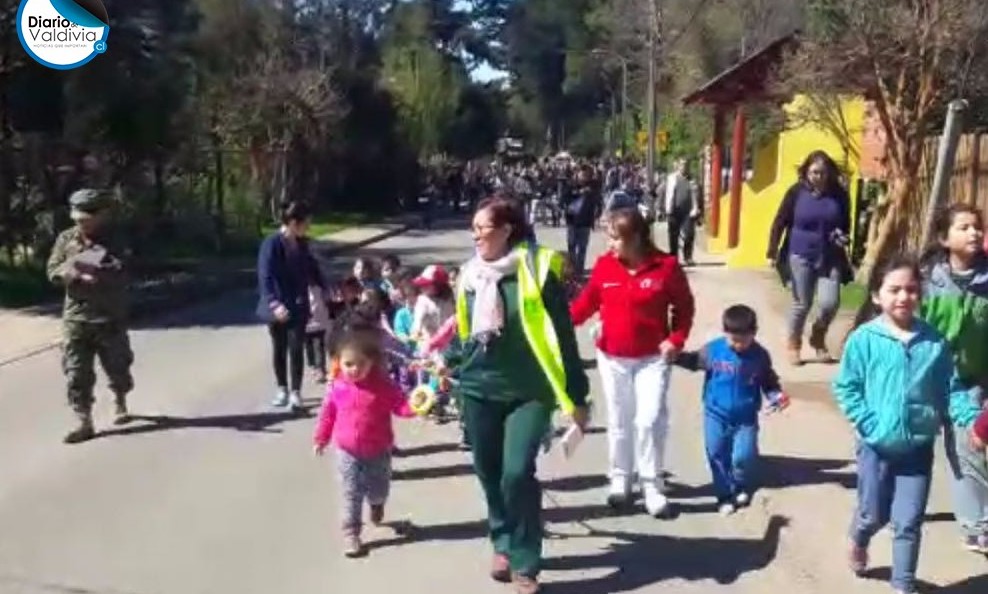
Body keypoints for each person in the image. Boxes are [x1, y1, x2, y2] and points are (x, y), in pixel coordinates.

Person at [442, 196, 589, 594]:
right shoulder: (470, 275)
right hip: (478, 389)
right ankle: (502, 540)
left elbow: (562, 335)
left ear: (507, 230)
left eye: (482, 229)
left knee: (516, 473)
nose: (475, 236)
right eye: (472, 229)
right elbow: (464, 333)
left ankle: (526, 560)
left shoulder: (539, 271)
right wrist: (447, 363)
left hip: (530, 390)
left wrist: (578, 395)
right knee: (489, 472)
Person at [833, 254, 983, 594]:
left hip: (917, 448)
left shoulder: (934, 343)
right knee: (873, 514)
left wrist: (971, 420)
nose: (903, 297)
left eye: (912, 290)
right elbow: (846, 386)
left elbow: (951, 388)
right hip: (875, 447)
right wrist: (866, 421)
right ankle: (859, 535)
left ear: (921, 294)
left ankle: (903, 584)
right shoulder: (864, 340)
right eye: (894, 289)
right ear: (876, 295)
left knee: (909, 522)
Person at [570, 207, 695, 517]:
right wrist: (553, 326)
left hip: (652, 358)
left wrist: (676, 339)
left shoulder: (666, 267)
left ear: (635, 237)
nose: (609, 245)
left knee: (649, 420)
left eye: (614, 238)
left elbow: (684, 308)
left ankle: (651, 484)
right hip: (612, 357)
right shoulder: (604, 267)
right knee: (619, 419)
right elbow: (584, 306)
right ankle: (620, 479)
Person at [918, 203, 988, 553]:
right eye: (964, 227)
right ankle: (896, 509)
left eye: (977, 227)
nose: (974, 232)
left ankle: (975, 526)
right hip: (926, 380)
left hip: (969, 380)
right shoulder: (928, 282)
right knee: (911, 448)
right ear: (945, 238)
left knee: (968, 447)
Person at [675, 305, 790, 516]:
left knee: (743, 457)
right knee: (716, 452)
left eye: (742, 340)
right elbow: (693, 361)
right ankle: (724, 494)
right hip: (715, 414)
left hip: (745, 418)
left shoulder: (760, 356)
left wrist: (776, 395)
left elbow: (768, 380)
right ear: (724, 332)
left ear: (753, 334)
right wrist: (675, 356)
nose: (737, 345)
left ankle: (739, 484)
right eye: (732, 339)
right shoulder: (714, 351)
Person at [313, 328, 416, 557]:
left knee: (379, 487)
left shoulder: (383, 386)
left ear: (372, 363)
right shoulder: (337, 388)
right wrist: (321, 438)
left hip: (378, 449)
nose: (354, 369)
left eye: (361, 364)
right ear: (339, 362)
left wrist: (416, 406)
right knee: (351, 491)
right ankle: (352, 533)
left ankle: (377, 503)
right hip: (347, 450)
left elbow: (400, 406)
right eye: (349, 364)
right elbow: (327, 414)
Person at [46, 189, 134, 444]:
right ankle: (83, 420)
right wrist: (73, 274)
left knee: (118, 368)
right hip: (76, 318)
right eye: (78, 218)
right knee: (76, 372)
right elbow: (52, 269)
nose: (81, 223)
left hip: (109, 318)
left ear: (102, 214)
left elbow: (126, 271)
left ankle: (120, 398)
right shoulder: (66, 239)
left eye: (87, 218)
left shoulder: (116, 240)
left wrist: (101, 273)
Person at [767, 150, 853, 366]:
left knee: (830, 303)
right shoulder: (796, 193)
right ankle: (794, 343)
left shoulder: (839, 195)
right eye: (814, 172)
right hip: (800, 254)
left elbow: (844, 223)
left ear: (830, 173)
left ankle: (817, 336)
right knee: (802, 303)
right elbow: (780, 221)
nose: (819, 177)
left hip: (830, 255)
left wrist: (842, 236)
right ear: (805, 172)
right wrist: (772, 250)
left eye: (823, 173)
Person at [256, 200, 324, 412]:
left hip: (299, 304)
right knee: (280, 347)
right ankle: (282, 388)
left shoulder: (303, 244)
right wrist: (274, 303)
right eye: (306, 223)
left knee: (296, 348)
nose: (308, 227)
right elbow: (265, 275)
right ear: (294, 222)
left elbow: (313, 269)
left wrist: (325, 286)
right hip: (278, 306)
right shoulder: (272, 243)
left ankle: (296, 391)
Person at [656, 158, 701, 266]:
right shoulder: (671, 179)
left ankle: (688, 257)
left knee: (689, 234)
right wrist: (660, 208)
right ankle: (674, 257)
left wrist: (698, 211)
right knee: (673, 236)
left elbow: (698, 195)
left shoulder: (692, 180)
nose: (684, 167)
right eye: (682, 165)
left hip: (688, 212)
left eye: (686, 165)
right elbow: (661, 192)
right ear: (678, 166)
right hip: (674, 211)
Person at [562, 164, 601, 276]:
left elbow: (597, 200)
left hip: (585, 222)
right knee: (572, 246)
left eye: (588, 175)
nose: (585, 177)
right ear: (578, 173)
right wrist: (579, 193)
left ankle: (579, 271)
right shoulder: (570, 185)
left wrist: (598, 211)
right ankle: (572, 270)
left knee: (582, 248)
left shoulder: (593, 186)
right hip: (572, 221)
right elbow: (563, 199)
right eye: (583, 174)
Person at [410, 264, 455, 349]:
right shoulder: (422, 300)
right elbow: (418, 318)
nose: (422, 287)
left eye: (427, 285)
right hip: (428, 343)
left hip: (447, 344)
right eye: (422, 284)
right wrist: (416, 330)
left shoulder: (448, 299)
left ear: (438, 286)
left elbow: (451, 317)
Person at [305, 284, 331, 384]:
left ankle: (320, 368)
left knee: (319, 344)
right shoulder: (296, 284)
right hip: (305, 320)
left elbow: (327, 297)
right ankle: (313, 366)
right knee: (309, 345)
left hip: (319, 318)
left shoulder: (320, 284)